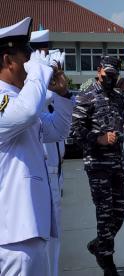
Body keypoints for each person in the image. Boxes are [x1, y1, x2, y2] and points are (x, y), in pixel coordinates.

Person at [0, 17, 74, 275]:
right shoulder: (6, 101)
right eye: (26, 60)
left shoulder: (20, 100)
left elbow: (57, 129)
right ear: (9, 61)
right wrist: (39, 72)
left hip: (29, 228)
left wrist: (63, 96)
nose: (31, 67)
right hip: (13, 235)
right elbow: (29, 112)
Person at [71, 56, 124, 275]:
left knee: (121, 211)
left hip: (118, 163)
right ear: (99, 71)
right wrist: (98, 138)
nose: (110, 79)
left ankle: (100, 244)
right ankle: (107, 260)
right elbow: (76, 131)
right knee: (105, 212)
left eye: (114, 75)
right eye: (107, 75)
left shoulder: (119, 97)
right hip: (98, 165)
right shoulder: (86, 95)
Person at [30, 28, 69, 276]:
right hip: (39, 174)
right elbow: (29, 108)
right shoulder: (28, 87)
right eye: (40, 50)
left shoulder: (43, 86)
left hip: (55, 172)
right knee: (38, 242)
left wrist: (60, 90)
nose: (46, 54)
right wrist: (42, 76)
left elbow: (60, 127)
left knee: (53, 241)